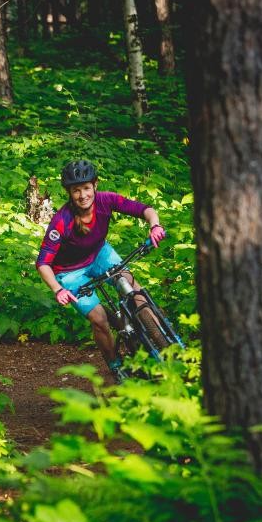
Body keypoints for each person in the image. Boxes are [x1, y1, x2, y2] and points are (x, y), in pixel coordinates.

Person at [35, 159, 166, 380]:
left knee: (134, 291)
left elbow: (145, 209)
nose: (82, 195)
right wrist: (58, 289)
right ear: (69, 192)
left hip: (99, 254)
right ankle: (116, 365)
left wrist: (154, 225)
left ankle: (165, 343)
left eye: (86, 188)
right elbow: (43, 263)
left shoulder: (106, 200)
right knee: (99, 320)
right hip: (69, 272)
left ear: (95, 185)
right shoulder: (61, 221)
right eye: (76, 190)